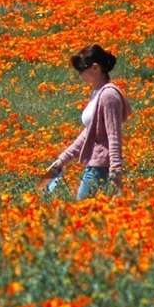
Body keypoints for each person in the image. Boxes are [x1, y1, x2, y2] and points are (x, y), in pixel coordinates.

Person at [48, 45, 132, 200]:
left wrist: (116, 173)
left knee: (82, 212)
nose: (80, 74)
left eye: (82, 69)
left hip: (102, 167)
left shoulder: (108, 96)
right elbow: (88, 132)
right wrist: (62, 160)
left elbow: (114, 136)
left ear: (95, 68)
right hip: (95, 165)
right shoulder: (97, 93)